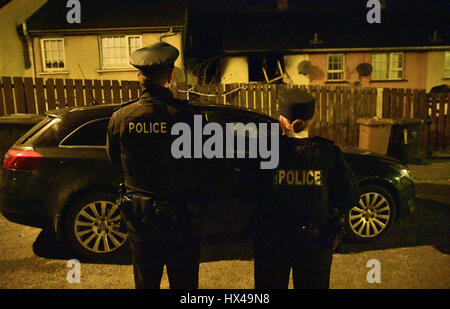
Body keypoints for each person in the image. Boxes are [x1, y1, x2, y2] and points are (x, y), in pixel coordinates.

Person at [107, 42, 204, 289]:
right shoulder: (190, 117)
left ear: (138, 76)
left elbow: (115, 160)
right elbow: (205, 163)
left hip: (141, 218)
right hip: (180, 217)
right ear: (170, 77)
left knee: (146, 282)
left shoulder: (121, 117)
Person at [252, 89, 360, 289]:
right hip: (316, 242)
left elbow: (247, 194)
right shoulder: (328, 153)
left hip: (272, 241)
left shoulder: (264, 152)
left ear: (281, 121)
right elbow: (350, 197)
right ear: (312, 119)